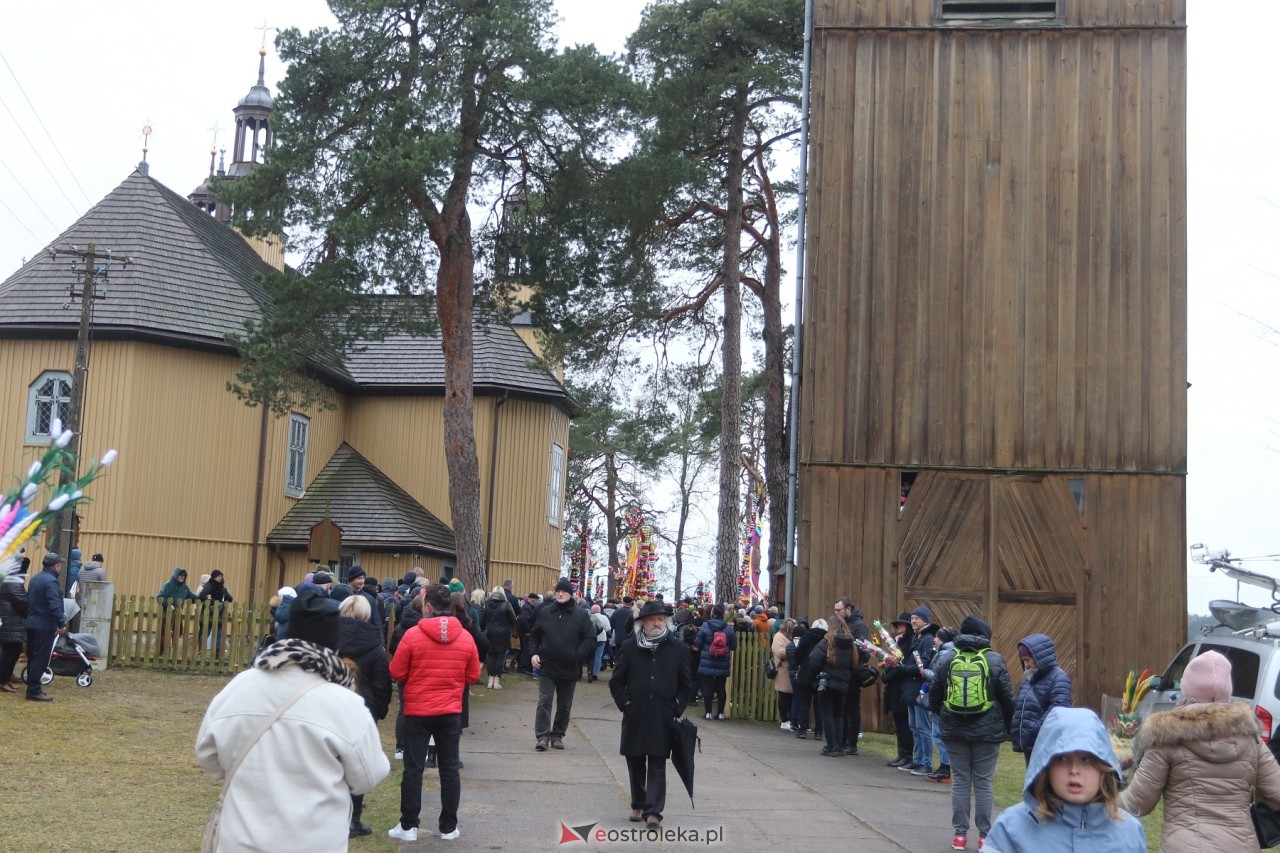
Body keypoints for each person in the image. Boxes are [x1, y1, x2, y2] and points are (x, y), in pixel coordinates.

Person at [195, 589, 389, 851]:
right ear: (334, 646)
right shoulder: (345, 703)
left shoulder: (239, 687)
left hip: (241, 840)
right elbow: (369, 775)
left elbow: (207, 756)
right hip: (313, 842)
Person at [1120, 649, 1280, 851]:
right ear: (1227, 690)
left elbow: (1138, 802)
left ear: (1187, 688)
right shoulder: (1251, 738)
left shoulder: (1166, 736)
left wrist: (1102, 799)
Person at [388, 582, 480, 843]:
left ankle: (408, 826)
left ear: (427, 607)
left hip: (417, 711)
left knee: (413, 768)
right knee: (450, 768)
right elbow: (473, 675)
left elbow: (396, 671)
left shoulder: (412, 635)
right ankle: (448, 827)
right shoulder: (465, 637)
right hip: (450, 711)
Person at [983, 707, 1146, 853]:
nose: (1074, 771)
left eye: (1086, 760)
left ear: (1104, 767)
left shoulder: (1129, 833)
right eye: (1062, 759)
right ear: (1046, 767)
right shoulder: (1012, 828)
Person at [929, 615, 1015, 852]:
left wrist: (943, 714)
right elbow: (1008, 699)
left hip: (953, 730)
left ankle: (959, 836)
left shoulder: (947, 658)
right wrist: (1006, 727)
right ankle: (984, 837)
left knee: (960, 781)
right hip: (988, 732)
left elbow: (934, 695)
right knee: (984, 783)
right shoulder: (995, 660)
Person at [609, 599, 693, 829]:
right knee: (634, 758)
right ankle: (639, 803)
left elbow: (686, 685)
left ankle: (654, 811)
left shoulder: (679, 649)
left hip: (663, 714)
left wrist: (676, 707)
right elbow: (616, 681)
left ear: (666, 622)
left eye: (660, 619)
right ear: (643, 623)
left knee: (657, 761)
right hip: (634, 712)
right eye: (651, 620)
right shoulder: (629, 647)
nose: (656, 623)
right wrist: (624, 703)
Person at [337, 594, 392, 838]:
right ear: (367, 615)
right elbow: (382, 683)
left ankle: (333, 812)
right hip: (362, 706)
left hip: (331, 704)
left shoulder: (326, 639)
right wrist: (380, 710)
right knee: (356, 762)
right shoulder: (374, 645)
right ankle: (353, 819)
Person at [528, 578, 596, 751]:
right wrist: (534, 653)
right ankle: (542, 736)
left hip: (569, 668)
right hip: (546, 666)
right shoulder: (545, 612)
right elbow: (534, 635)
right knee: (545, 701)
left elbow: (589, 638)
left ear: (570, 594)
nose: (560, 593)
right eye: (558, 591)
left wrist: (576, 655)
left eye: (564, 591)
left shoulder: (580, 615)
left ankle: (557, 735)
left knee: (564, 705)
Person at [885, 605, 938, 774]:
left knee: (923, 728)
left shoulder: (927, 639)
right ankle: (917, 760)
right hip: (909, 689)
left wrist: (901, 669)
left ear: (925, 620)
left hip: (919, 689)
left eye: (917, 618)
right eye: (912, 618)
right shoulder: (918, 638)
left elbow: (922, 666)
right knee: (914, 727)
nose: (913, 621)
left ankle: (926, 762)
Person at [1011, 632, 1073, 767]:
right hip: (1032, 744)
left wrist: (1034, 730)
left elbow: (1059, 709)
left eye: (1028, 659)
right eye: (1023, 660)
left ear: (1039, 657)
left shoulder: (1059, 678)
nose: (1026, 664)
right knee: (1032, 782)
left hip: (1047, 744)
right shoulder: (1029, 678)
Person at [809, 614, 858, 756]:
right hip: (843, 683)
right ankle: (839, 745)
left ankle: (831, 745)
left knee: (827, 714)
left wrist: (813, 677)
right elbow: (855, 663)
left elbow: (814, 659)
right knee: (839, 714)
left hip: (827, 681)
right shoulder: (850, 643)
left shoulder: (827, 641)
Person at [25, 552, 67, 701]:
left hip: (31, 622)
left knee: (32, 656)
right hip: (44, 624)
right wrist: (61, 623)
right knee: (40, 658)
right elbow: (54, 605)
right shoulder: (51, 583)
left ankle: (32, 686)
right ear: (56, 566)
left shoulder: (35, 579)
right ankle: (34, 690)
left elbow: (29, 601)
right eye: (59, 565)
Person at [834, 597, 872, 753]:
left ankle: (852, 742)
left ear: (848, 609)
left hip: (852, 672)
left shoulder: (859, 626)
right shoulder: (842, 625)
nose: (836, 613)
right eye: (835, 610)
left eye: (839, 610)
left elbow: (864, 650)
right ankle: (841, 740)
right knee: (841, 707)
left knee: (851, 707)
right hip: (841, 671)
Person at [693, 603, 738, 720]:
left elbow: (697, 644)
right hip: (722, 662)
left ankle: (708, 713)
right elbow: (734, 646)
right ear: (723, 614)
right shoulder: (728, 629)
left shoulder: (705, 627)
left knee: (707, 688)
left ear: (712, 614)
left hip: (707, 662)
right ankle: (721, 713)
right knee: (721, 688)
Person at [884, 613, 915, 767]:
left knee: (905, 724)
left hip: (903, 687)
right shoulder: (898, 644)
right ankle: (901, 753)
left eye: (902, 626)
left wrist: (889, 673)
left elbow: (901, 665)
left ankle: (907, 754)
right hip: (895, 688)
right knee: (899, 722)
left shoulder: (909, 643)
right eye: (898, 627)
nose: (899, 629)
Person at [793, 618, 829, 739]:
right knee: (818, 704)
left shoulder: (806, 636)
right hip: (819, 673)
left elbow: (797, 653)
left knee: (804, 702)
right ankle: (818, 731)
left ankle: (803, 729)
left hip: (805, 671)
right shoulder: (827, 638)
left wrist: (801, 662)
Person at [0, 552, 29, 692]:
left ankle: (6, 678)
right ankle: (3, 680)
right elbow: (22, 602)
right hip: (11, 622)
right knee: (10, 651)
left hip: (10, 621)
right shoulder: (12, 582)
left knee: (14, 649)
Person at [480, 586, 518, 689]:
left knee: (491, 656)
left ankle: (490, 680)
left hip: (489, 634)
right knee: (500, 657)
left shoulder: (486, 605)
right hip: (503, 634)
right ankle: (496, 680)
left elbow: (482, 620)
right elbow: (513, 619)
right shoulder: (507, 605)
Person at [156, 567, 198, 654]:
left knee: (178, 632)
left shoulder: (184, 588)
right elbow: (160, 597)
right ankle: (162, 651)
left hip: (177, 614)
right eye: (180, 575)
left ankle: (171, 649)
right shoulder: (168, 585)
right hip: (166, 613)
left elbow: (191, 597)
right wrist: (168, 604)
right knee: (164, 633)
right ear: (176, 575)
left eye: (183, 575)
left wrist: (203, 598)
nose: (182, 577)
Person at [197, 569, 233, 656]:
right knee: (206, 632)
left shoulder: (222, 588)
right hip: (209, 612)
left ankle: (218, 652)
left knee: (219, 633)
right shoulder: (209, 585)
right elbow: (202, 595)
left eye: (221, 576)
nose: (220, 578)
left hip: (219, 612)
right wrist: (210, 599)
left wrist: (225, 593)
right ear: (214, 577)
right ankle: (201, 651)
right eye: (218, 576)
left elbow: (230, 599)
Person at [771, 618, 796, 729]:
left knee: (790, 696)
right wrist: (792, 651)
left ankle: (790, 719)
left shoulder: (789, 637)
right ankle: (784, 719)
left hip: (789, 669)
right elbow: (779, 651)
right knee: (783, 695)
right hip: (783, 669)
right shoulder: (779, 636)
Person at [589, 604, 611, 682]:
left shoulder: (590, 617)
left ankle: (590, 670)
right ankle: (595, 673)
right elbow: (608, 628)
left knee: (590, 656)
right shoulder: (604, 617)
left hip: (591, 638)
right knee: (598, 656)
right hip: (601, 638)